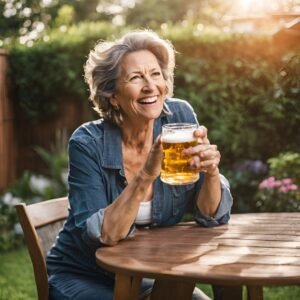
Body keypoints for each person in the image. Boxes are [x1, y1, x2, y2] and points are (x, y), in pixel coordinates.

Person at [47, 30, 233, 300]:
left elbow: (211, 216)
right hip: (86, 275)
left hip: (148, 274)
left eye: (155, 74)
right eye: (136, 78)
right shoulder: (87, 143)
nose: (150, 86)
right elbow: (106, 234)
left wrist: (212, 172)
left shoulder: (179, 116)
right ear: (112, 95)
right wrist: (147, 173)